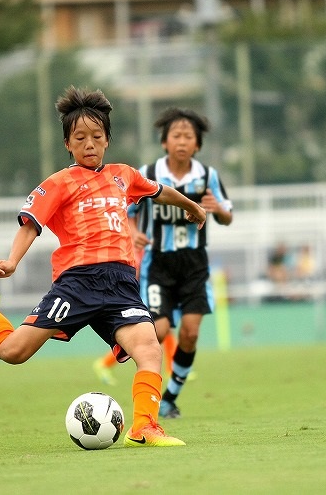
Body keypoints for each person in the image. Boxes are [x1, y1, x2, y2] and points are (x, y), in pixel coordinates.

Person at [0, 86, 206, 447]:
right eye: (80, 138)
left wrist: (193, 207)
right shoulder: (59, 183)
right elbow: (30, 224)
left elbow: (160, 190)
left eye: (96, 136)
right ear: (68, 144)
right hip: (77, 282)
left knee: (150, 348)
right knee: (13, 352)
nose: (89, 144)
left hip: (121, 283)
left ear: (107, 139)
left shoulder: (124, 175)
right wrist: (11, 262)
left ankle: (144, 427)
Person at [123, 106, 233, 419]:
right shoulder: (150, 174)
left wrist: (219, 211)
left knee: (190, 333)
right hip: (158, 265)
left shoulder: (208, 176)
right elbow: (126, 211)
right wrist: (132, 233)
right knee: (156, 331)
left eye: (188, 136)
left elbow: (227, 216)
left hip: (195, 266)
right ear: (164, 142)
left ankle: (170, 397)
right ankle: (137, 365)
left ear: (197, 145)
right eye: (176, 135)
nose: (182, 141)